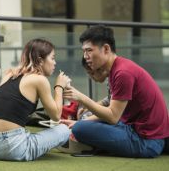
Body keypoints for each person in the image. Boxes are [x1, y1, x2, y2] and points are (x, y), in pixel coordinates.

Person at [62, 25, 169, 158]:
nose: (86, 56)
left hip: (147, 142)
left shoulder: (122, 73)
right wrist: (80, 122)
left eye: (89, 50)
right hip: (134, 128)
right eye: (84, 51)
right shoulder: (118, 68)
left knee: (80, 129)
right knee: (81, 124)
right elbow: (113, 113)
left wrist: (82, 98)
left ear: (106, 48)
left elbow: (113, 117)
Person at [0, 38, 71, 161]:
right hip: (13, 148)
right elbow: (56, 116)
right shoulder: (40, 80)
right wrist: (59, 86)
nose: (55, 63)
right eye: (52, 58)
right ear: (40, 60)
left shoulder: (9, 74)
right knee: (64, 130)